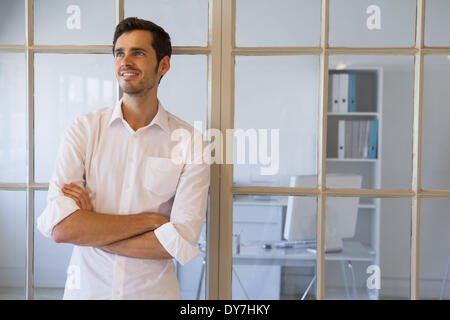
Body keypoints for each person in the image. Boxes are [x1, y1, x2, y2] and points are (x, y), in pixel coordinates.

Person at [36, 17, 210, 300]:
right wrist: (149, 221)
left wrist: (91, 225)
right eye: (119, 53)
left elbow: (175, 243)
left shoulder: (191, 143)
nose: (125, 61)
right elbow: (62, 228)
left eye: (138, 53)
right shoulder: (84, 130)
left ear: (163, 65)